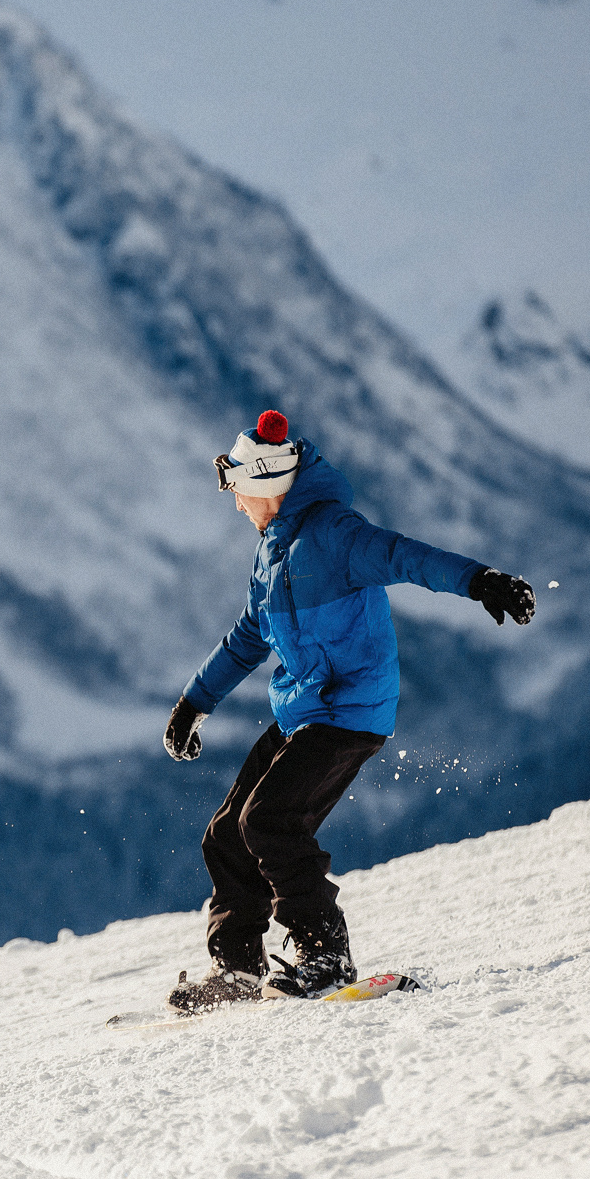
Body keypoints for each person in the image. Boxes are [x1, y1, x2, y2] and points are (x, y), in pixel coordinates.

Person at [162, 410, 535, 1013]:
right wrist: (193, 703)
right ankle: (237, 970)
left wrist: (481, 581)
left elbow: (407, 556)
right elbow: (247, 638)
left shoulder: (335, 534)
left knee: (270, 822)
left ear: (267, 486)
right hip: (302, 711)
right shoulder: (273, 551)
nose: (235, 504)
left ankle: (326, 954)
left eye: (239, 490)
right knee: (227, 835)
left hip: (349, 712)